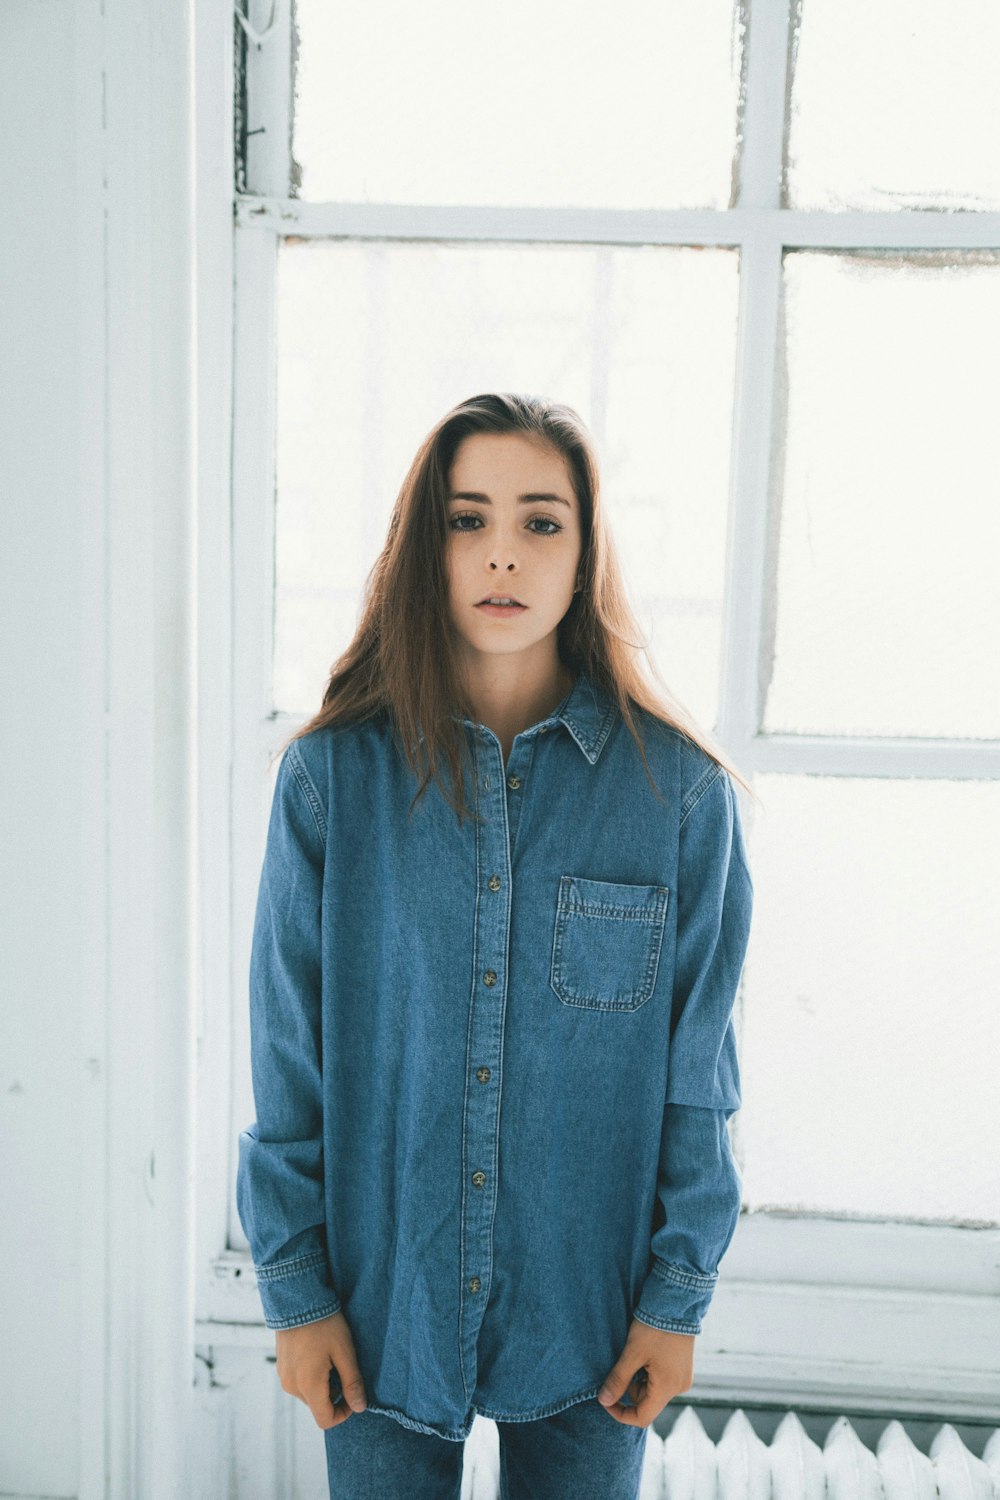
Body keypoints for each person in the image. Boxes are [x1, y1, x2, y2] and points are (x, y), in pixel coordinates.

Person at [236, 391, 756, 1500]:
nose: (503, 555)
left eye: (541, 522)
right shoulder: (331, 782)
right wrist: (297, 1292)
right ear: (424, 548)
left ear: (586, 552)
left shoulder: (679, 798)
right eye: (467, 520)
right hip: (378, 1309)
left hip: (595, 1317)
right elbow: (289, 1068)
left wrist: (675, 1298)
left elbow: (697, 1081)